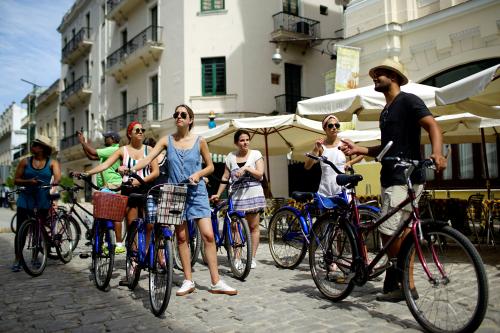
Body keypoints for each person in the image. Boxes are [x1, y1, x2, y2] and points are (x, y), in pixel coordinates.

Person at [339, 59, 447, 302]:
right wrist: (360, 149)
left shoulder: (408, 101)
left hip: (408, 177)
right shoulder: (385, 112)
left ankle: (402, 282)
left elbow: (433, 126)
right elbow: (386, 148)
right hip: (392, 177)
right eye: (375, 74)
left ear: (394, 77)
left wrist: (438, 153)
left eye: (381, 74)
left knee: (394, 234)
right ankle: (400, 282)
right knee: (396, 234)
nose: (375, 77)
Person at [128, 104, 237, 296]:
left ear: (190, 120)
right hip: (174, 192)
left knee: (209, 235)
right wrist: (131, 169)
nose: (178, 116)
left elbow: (211, 167)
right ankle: (188, 280)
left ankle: (216, 281)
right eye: (176, 113)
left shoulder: (200, 141)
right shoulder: (166, 140)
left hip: (197, 192)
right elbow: (148, 159)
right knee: (181, 237)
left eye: (183, 114)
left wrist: (198, 173)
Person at [77, 122, 159, 256]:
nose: (140, 132)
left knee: (150, 224)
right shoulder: (123, 150)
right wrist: (88, 173)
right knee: (132, 226)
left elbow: (155, 172)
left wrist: (140, 182)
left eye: (142, 130)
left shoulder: (149, 150)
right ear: (129, 133)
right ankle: (132, 258)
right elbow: (106, 164)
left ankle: (147, 251)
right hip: (129, 191)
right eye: (137, 130)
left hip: (146, 189)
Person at [209, 129, 266, 269]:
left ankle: (251, 258)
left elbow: (260, 174)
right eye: (242, 140)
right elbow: (225, 177)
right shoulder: (230, 157)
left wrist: (247, 168)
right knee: (236, 227)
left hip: (254, 195)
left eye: (247, 139)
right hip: (237, 197)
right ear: (236, 142)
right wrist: (218, 193)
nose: (245, 142)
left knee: (253, 227)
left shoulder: (256, 154)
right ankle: (237, 257)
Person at [11, 135, 61, 272]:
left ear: (42, 148)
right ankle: (18, 259)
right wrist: (28, 182)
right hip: (25, 199)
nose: (32, 146)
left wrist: (54, 186)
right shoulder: (25, 162)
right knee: (21, 230)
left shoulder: (52, 163)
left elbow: (57, 177)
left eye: (35, 144)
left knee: (38, 229)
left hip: (43, 199)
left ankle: (34, 257)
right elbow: (16, 180)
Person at [77, 130, 124, 253]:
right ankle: (106, 241)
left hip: (113, 186)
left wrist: (83, 142)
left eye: (107, 137)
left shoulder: (113, 149)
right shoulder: (108, 152)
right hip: (106, 186)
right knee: (110, 216)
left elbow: (92, 152)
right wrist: (83, 144)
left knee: (111, 216)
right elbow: (91, 156)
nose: (105, 139)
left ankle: (115, 243)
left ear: (113, 139)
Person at [304, 114, 363, 198]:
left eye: (337, 125)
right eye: (331, 125)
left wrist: (350, 162)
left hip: (342, 188)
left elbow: (361, 154)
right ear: (324, 128)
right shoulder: (321, 146)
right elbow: (307, 166)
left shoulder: (344, 142)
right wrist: (315, 149)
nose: (334, 127)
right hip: (325, 190)